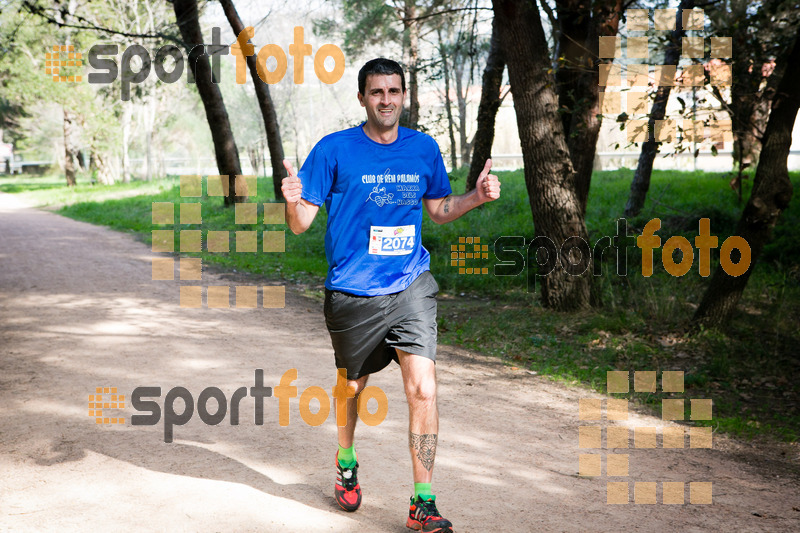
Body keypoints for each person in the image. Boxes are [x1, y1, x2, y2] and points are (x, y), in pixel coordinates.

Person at [281, 57, 500, 533]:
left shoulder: (423, 149)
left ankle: (423, 500)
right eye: (376, 92)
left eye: (394, 91)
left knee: (423, 388)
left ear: (404, 95)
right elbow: (299, 225)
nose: (386, 100)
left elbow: (439, 209)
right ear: (362, 98)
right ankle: (345, 458)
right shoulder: (333, 150)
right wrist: (292, 198)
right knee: (351, 387)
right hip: (353, 291)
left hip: (409, 284)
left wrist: (476, 197)